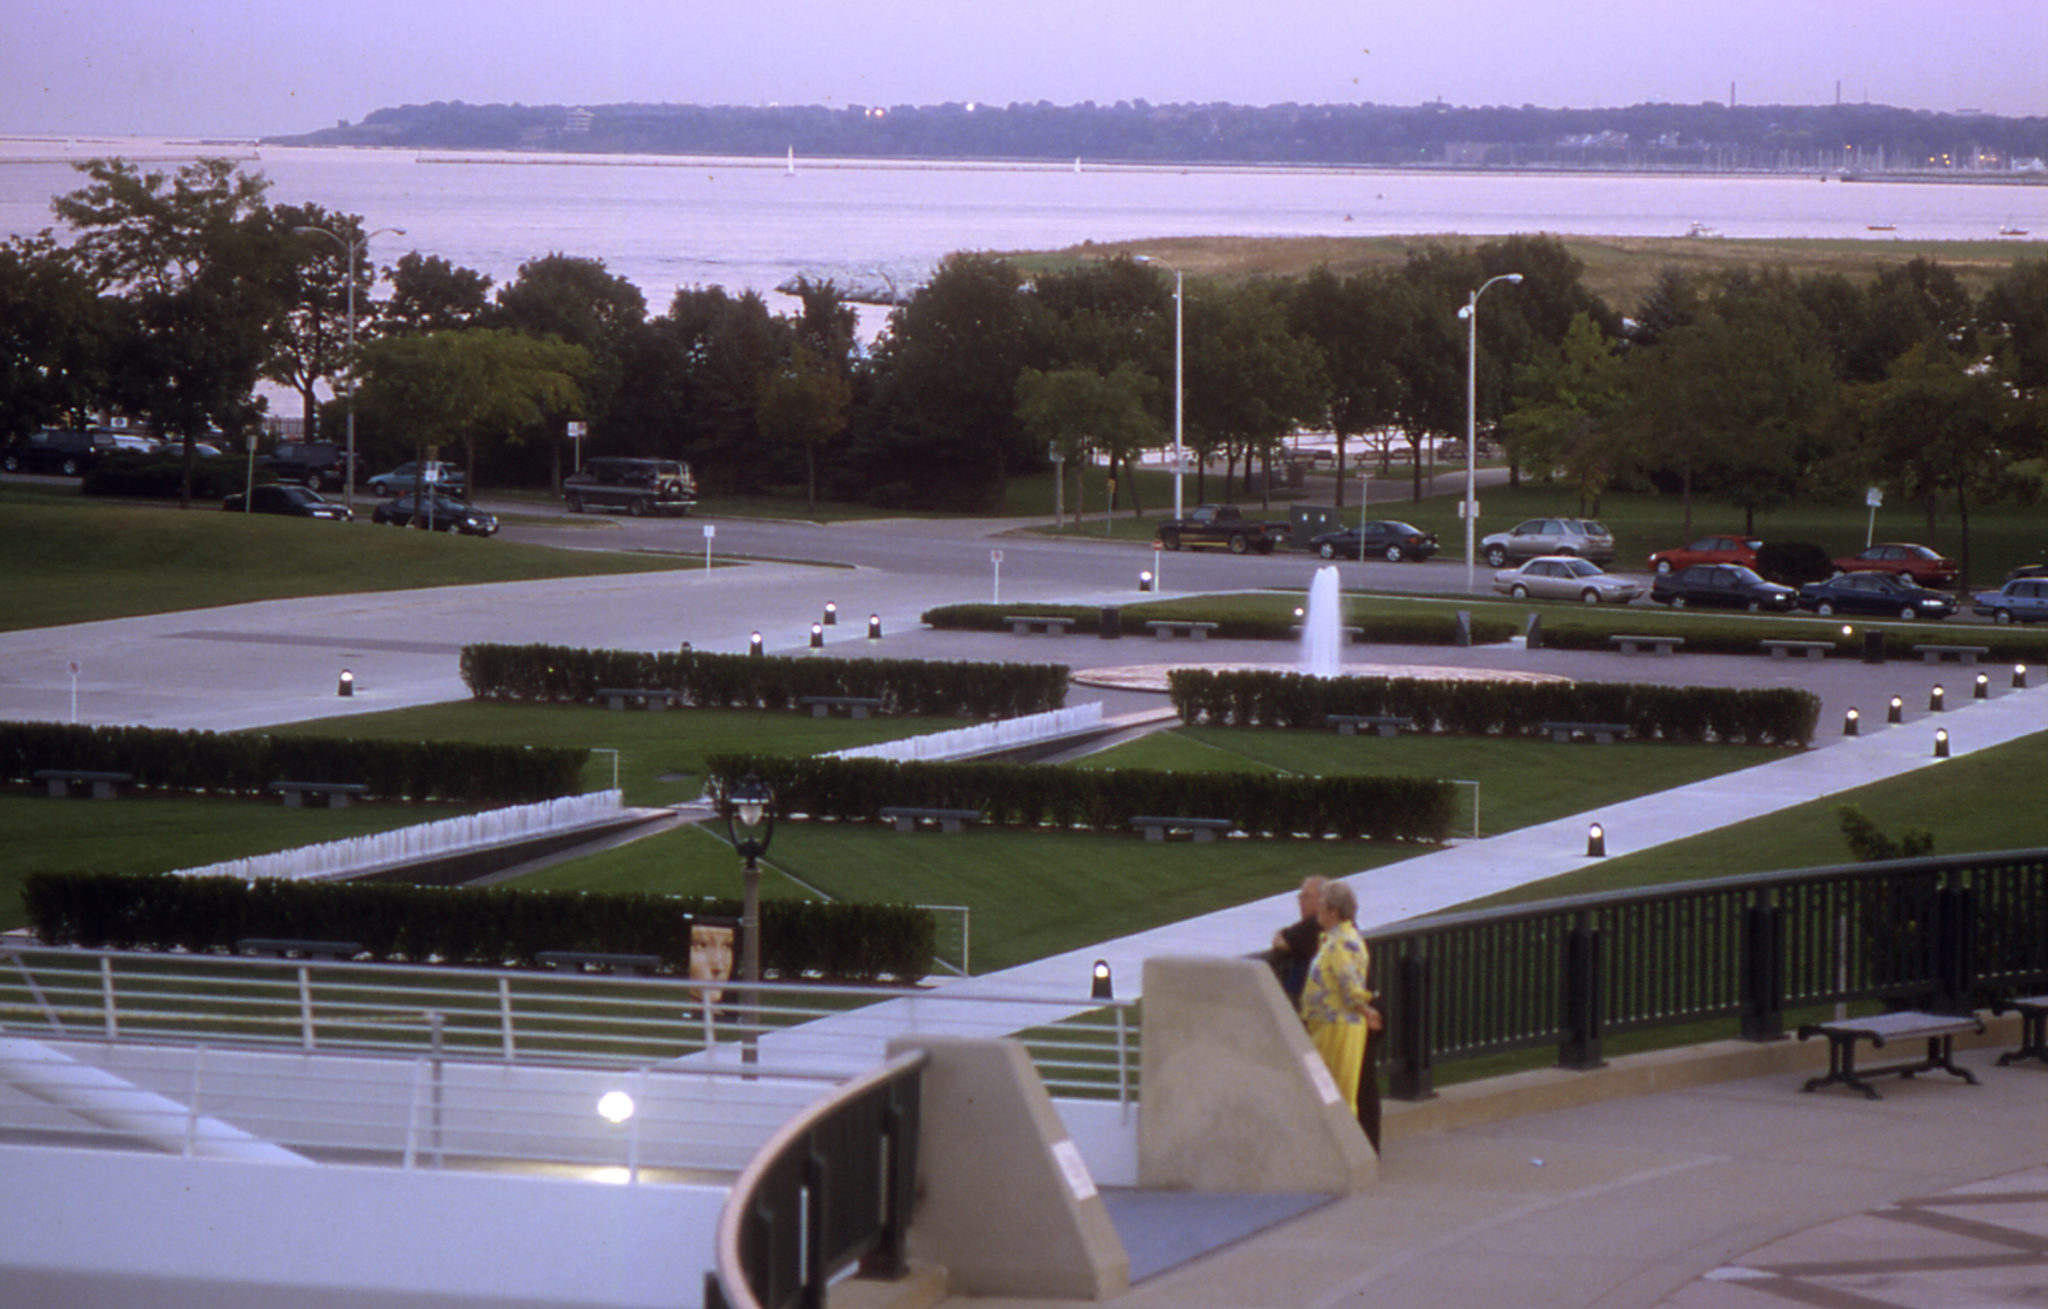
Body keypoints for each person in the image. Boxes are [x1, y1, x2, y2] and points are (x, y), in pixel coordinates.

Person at [1290, 878, 1383, 1149]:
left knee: (1336, 1094)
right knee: (1329, 1091)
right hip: (1327, 1026)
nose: (1317, 909)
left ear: (1333, 910)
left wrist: (1365, 1009)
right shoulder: (1334, 938)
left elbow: (1349, 984)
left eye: (1321, 905)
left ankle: (1344, 1154)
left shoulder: (1341, 943)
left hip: (1338, 1029)